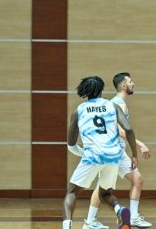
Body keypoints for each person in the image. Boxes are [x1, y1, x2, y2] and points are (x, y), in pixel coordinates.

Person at [63, 76, 138, 229]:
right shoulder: (112, 106)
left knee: (71, 192)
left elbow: (71, 144)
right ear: (101, 89)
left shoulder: (79, 110)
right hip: (113, 156)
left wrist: (83, 153)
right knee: (105, 194)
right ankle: (120, 209)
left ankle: (67, 227)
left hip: (93, 157)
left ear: (85, 90)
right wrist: (134, 154)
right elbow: (128, 130)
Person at [77, 73, 151, 228]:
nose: (133, 84)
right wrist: (140, 144)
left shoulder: (116, 103)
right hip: (114, 151)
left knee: (134, 180)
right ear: (124, 86)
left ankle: (95, 221)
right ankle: (93, 221)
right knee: (108, 186)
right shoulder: (119, 104)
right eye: (131, 82)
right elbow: (122, 130)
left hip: (113, 150)